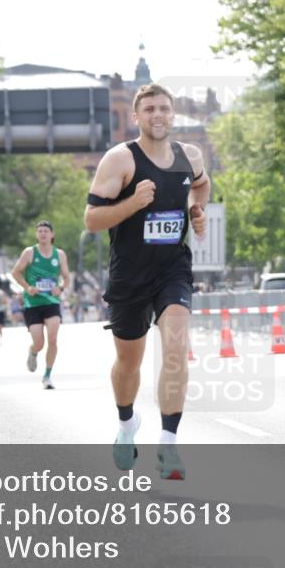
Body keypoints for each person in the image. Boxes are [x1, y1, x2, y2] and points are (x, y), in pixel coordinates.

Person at [84, 83, 209, 480]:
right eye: (150, 109)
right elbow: (91, 219)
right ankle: (126, 425)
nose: (158, 115)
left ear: (173, 115)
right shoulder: (120, 160)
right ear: (136, 118)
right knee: (128, 363)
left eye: (165, 109)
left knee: (176, 348)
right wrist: (133, 203)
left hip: (173, 268)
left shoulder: (189, 156)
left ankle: (169, 446)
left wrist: (195, 208)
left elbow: (201, 183)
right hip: (129, 276)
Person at [12, 220, 71, 390]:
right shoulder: (30, 253)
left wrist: (60, 288)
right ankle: (33, 351)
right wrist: (27, 287)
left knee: (53, 339)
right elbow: (15, 272)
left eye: (46, 231)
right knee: (39, 342)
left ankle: (47, 376)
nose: (43, 233)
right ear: (36, 235)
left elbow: (66, 277)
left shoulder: (59, 255)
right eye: (40, 231)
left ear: (52, 235)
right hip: (33, 303)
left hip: (51, 302)